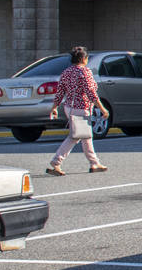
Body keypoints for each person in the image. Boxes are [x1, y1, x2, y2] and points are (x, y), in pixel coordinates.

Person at [46, 45, 107, 176]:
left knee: (85, 136)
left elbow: (60, 92)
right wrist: (102, 108)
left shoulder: (66, 72)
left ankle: (94, 163)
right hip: (81, 108)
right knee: (75, 137)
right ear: (84, 58)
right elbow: (91, 93)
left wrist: (54, 107)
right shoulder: (85, 72)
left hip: (70, 107)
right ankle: (56, 162)